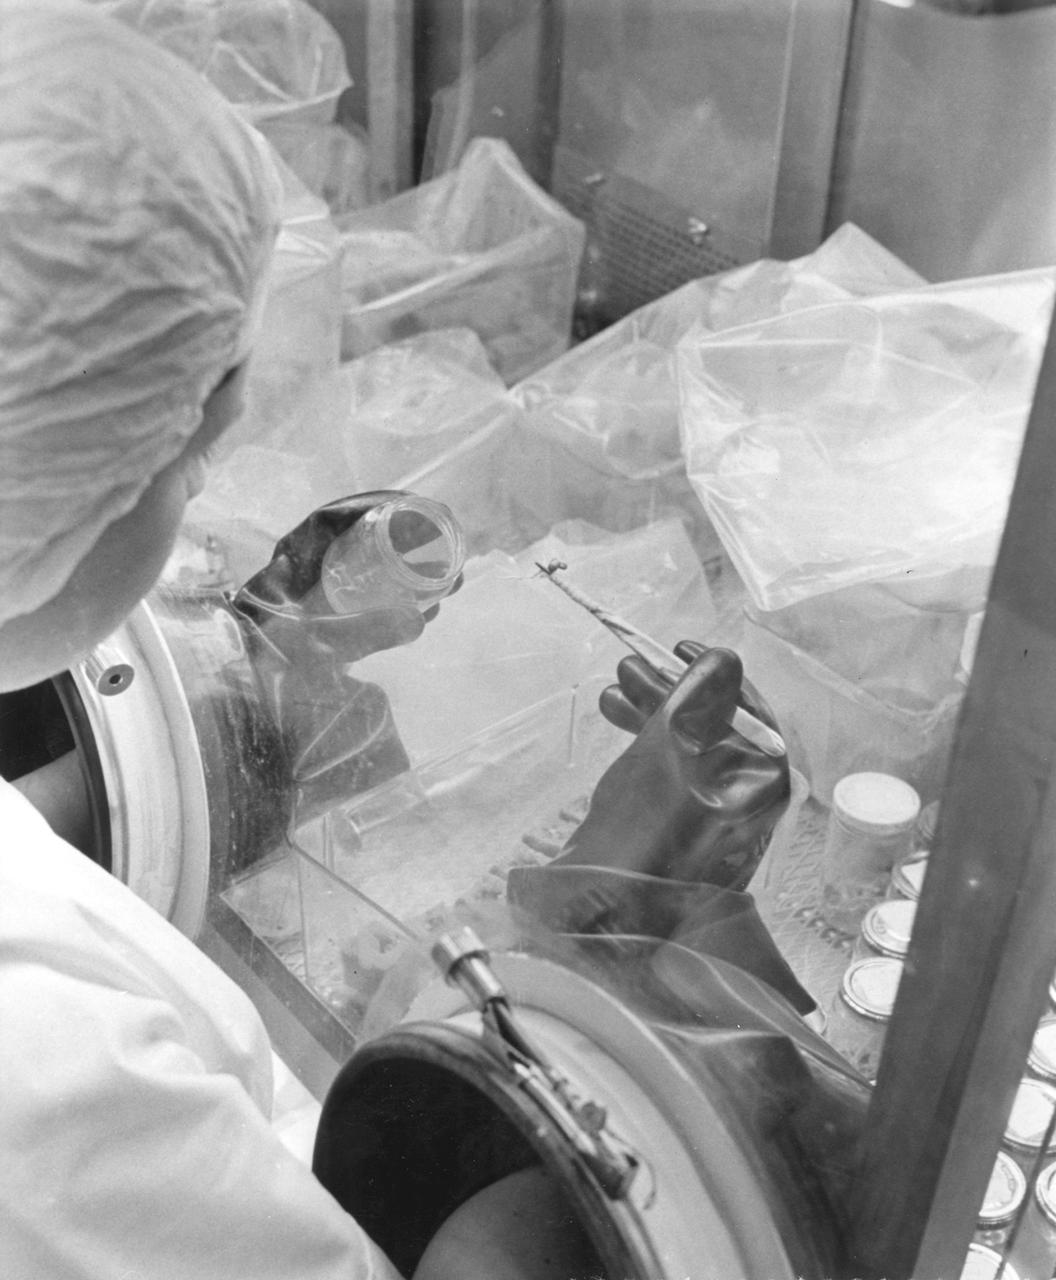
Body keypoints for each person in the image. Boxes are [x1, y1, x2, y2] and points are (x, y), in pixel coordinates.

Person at [0, 2, 404, 1275]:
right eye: (193, 455)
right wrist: (608, 936)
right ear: (73, 490)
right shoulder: (45, 1070)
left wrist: (246, 733)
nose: (194, 530)